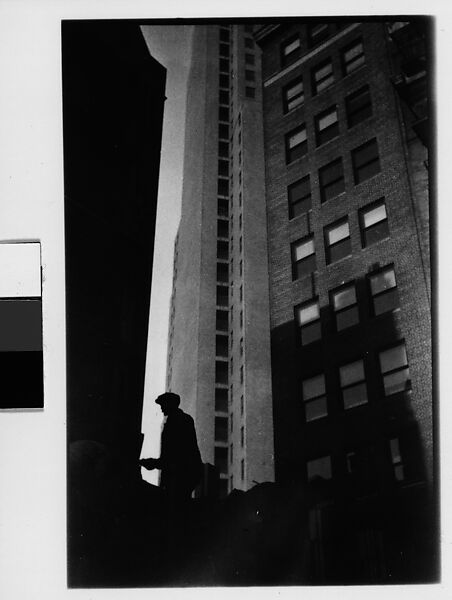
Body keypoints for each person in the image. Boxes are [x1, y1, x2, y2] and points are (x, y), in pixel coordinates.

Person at [140, 392, 203, 502]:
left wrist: (154, 463)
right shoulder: (180, 420)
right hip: (185, 473)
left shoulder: (177, 422)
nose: (161, 409)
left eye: (163, 405)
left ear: (170, 404)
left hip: (181, 474)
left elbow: (174, 456)